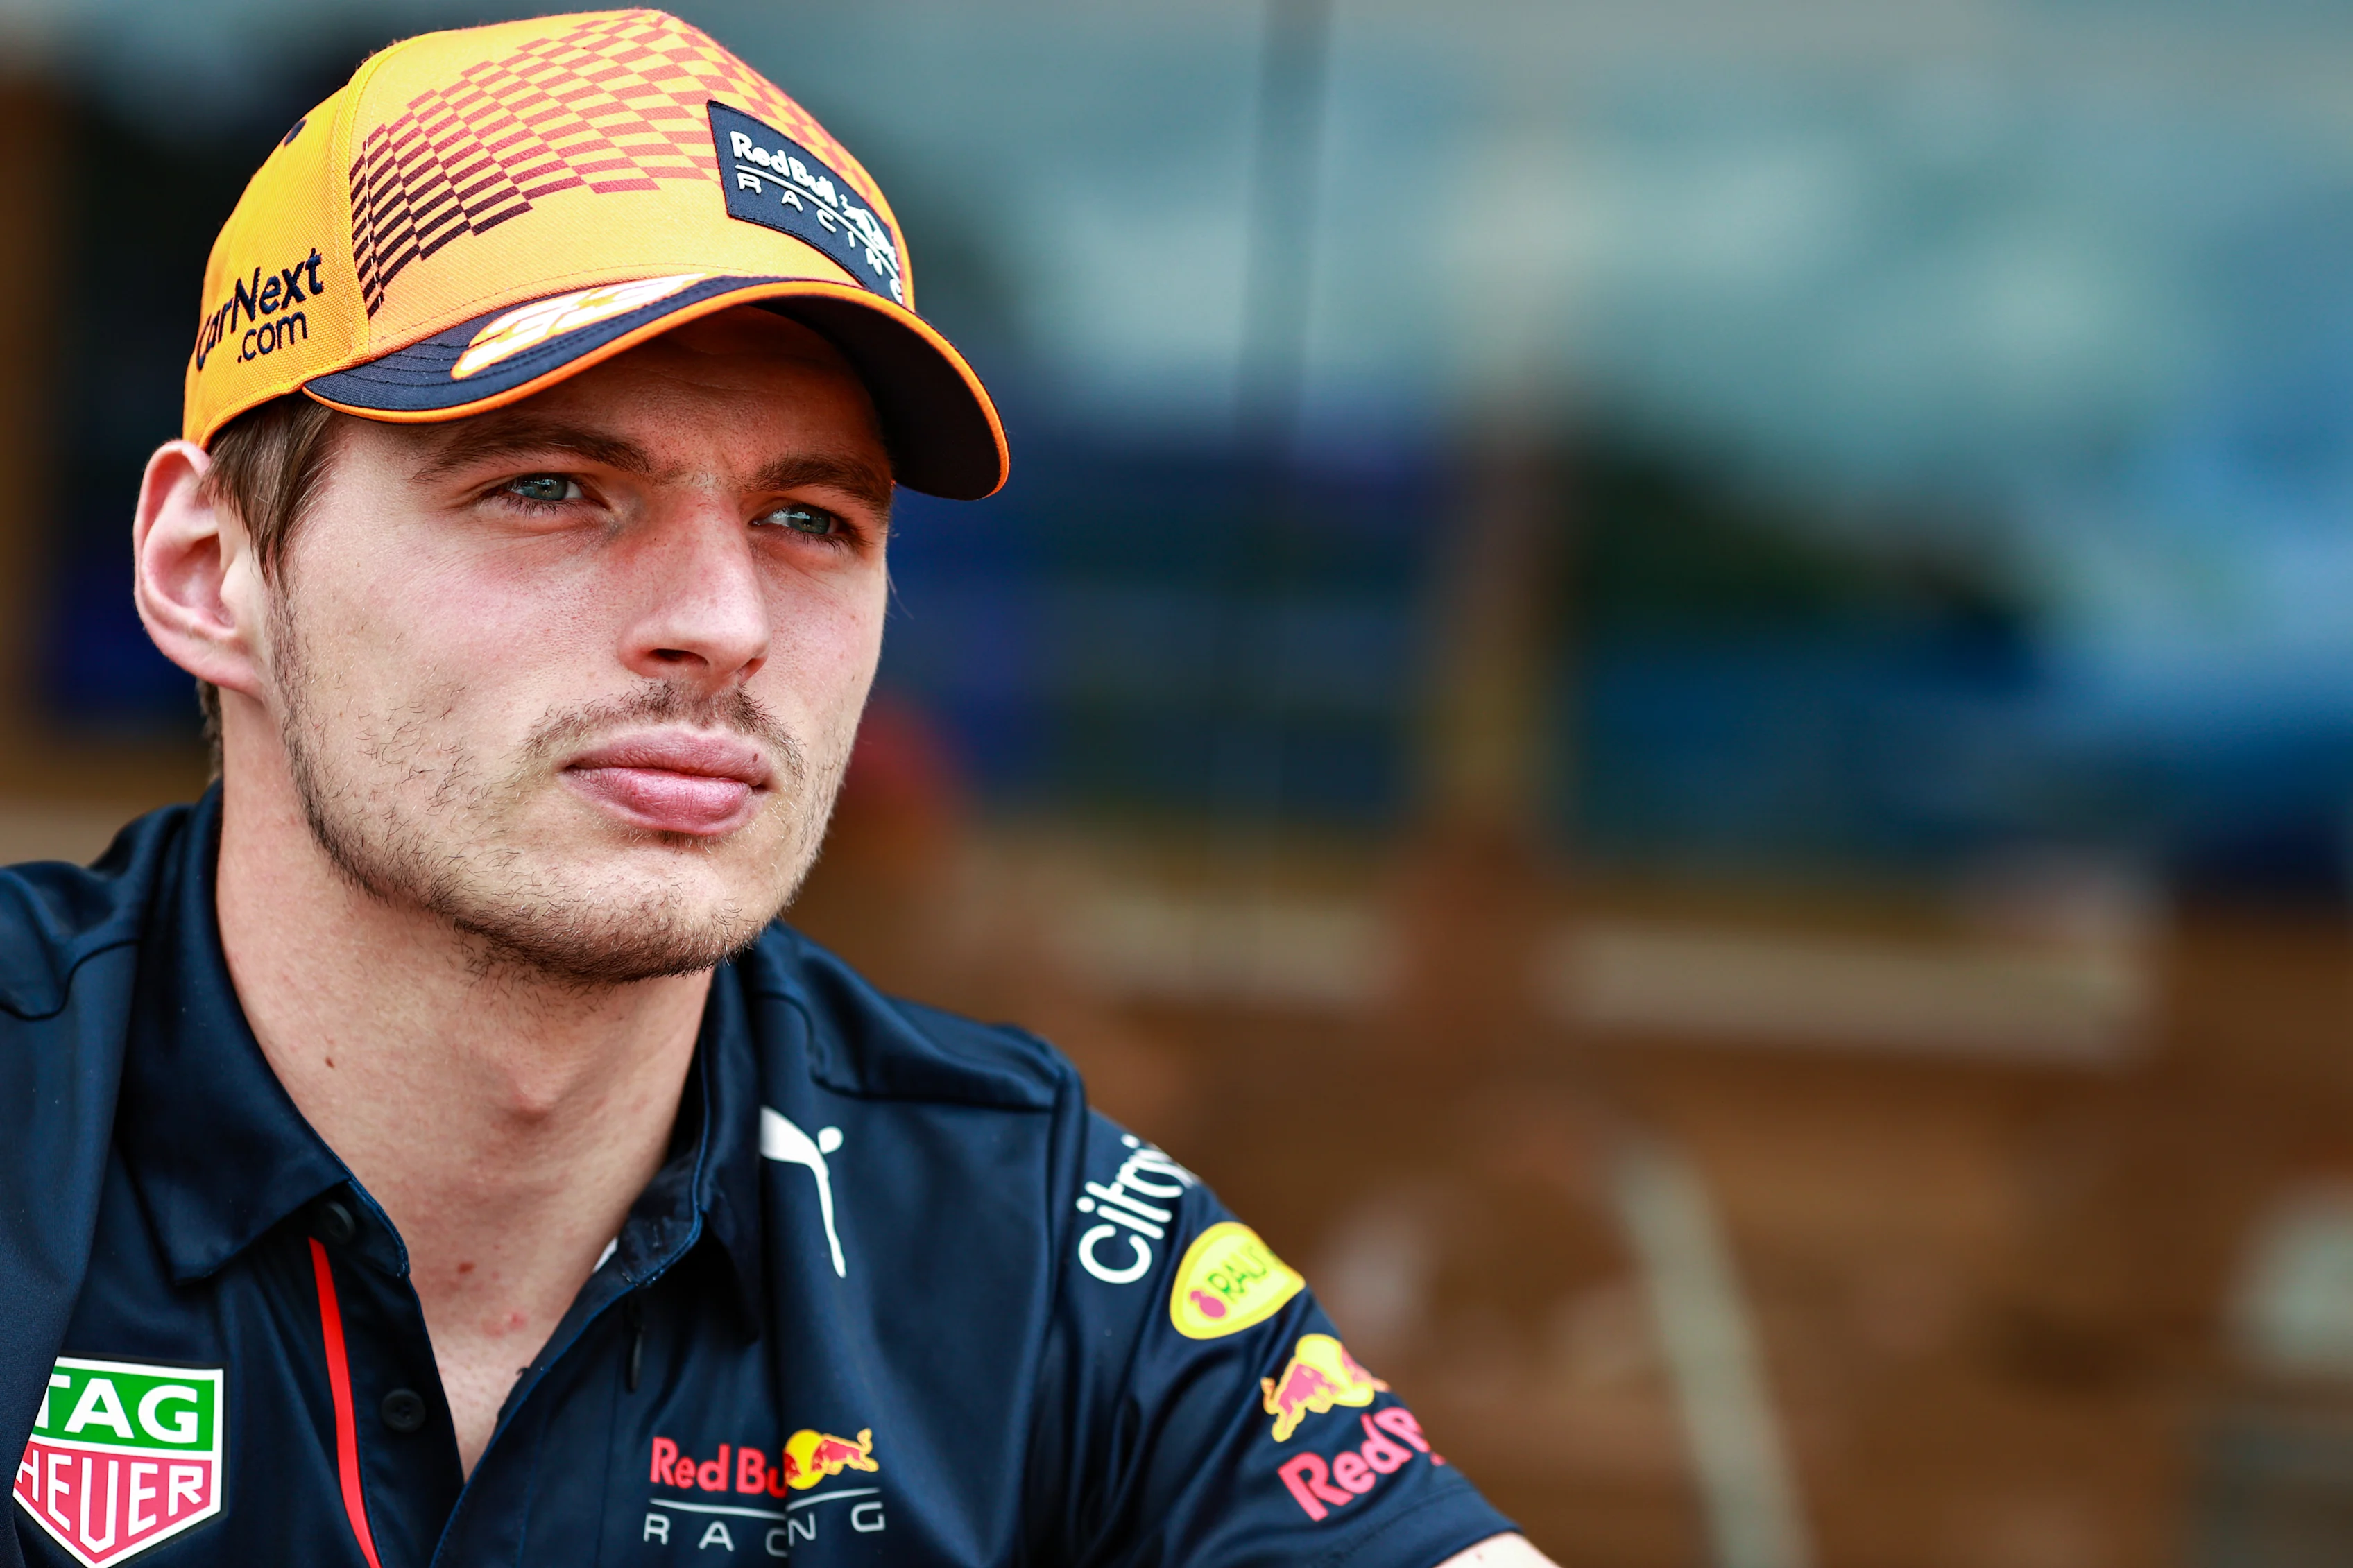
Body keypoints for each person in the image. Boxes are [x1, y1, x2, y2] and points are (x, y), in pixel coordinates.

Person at [1, 11, 1554, 1566]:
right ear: (210, 572)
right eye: (547, 487)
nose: (725, 621)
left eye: (809, 518)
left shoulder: (1020, 1235)